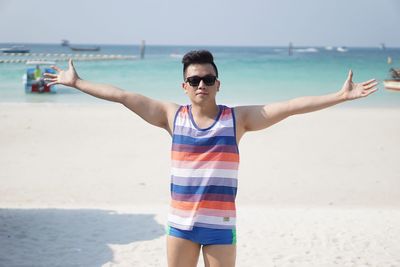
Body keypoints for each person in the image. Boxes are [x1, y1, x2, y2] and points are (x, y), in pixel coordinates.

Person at [44, 50, 377, 267]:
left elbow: (290, 106)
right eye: (194, 80)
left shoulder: (239, 119)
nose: (201, 84)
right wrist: (77, 82)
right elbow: (122, 96)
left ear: (217, 84)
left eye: (207, 79)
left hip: (220, 226)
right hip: (181, 226)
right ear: (184, 87)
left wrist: (339, 96)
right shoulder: (171, 116)